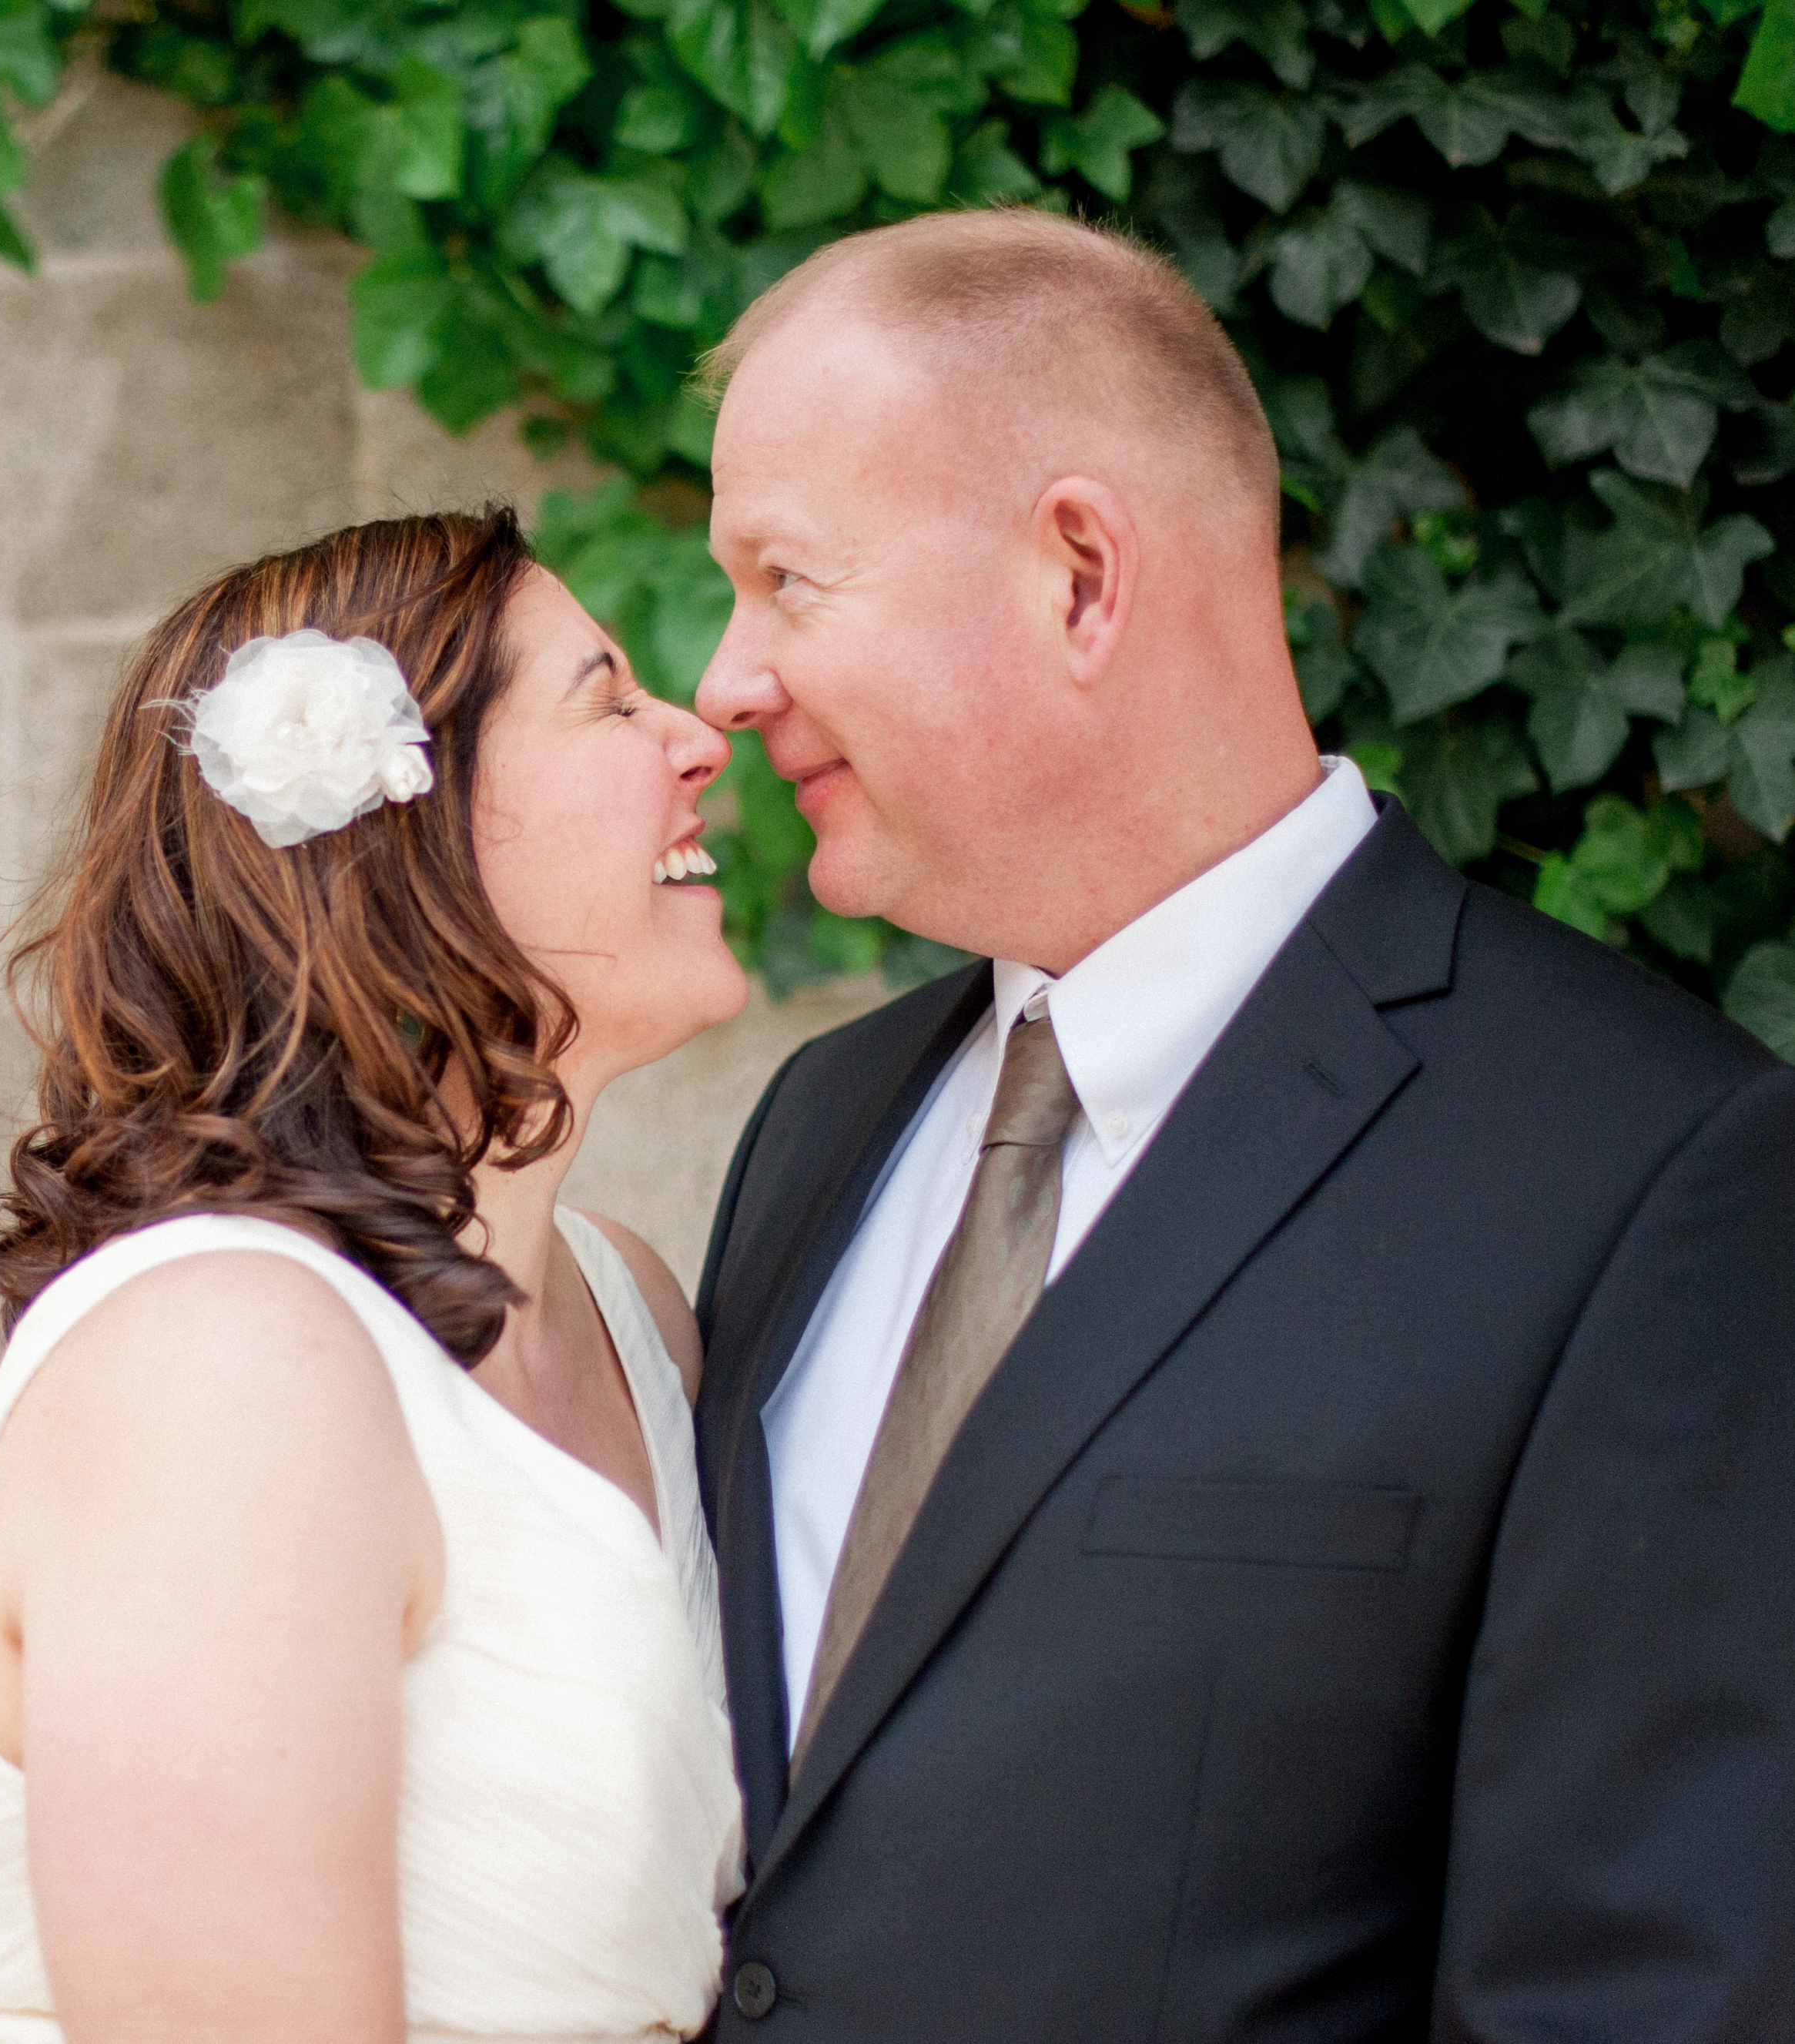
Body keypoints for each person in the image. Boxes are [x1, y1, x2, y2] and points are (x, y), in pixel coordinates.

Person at [688, 208, 1795, 2041]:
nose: (725, 680)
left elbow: (1639, 1994)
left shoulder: (1648, 1178)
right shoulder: (822, 1124)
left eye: (787, 581)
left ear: (1079, 578)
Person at [0, 509, 751, 2044]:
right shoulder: (224, 1365)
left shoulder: (635, 1314)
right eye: (607, 697)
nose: (698, 736)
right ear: (402, 834)